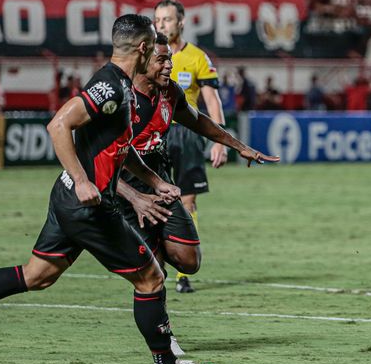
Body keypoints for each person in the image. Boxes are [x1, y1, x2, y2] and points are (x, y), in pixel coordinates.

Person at [0, 14, 219, 364]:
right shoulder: (111, 85)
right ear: (142, 48)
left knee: (36, 275)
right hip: (88, 206)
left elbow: (117, 147)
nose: (159, 51)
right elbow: (58, 125)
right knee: (151, 280)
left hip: (67, 200)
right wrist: (82, 179)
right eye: (154, 44)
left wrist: (151, 179)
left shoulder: (122, 85)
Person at [116, 35, 278, 334]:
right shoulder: (119, 96)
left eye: (170, 60)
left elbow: (198, 119)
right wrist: (133, 195)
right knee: (150, 275)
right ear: (142, 59)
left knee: (190, 260)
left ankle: (160, 268)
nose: (169, 66)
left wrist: (237, 145)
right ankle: (164, 343)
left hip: (160, 182)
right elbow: (98, 154)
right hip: (124, 189)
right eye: (162, 60)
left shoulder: (169, 92)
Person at [153, 0, 227, 294]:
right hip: (155, 133)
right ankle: (155, 265)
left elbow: (211, 100)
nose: (161, 25)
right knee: (152, 200)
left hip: (185, 136)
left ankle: (183, 272)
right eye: (158, 19)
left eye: (167, 19)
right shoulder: (147, 54)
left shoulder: (197, 57)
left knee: (187, 201)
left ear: (181, 22)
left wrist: (219, 140)